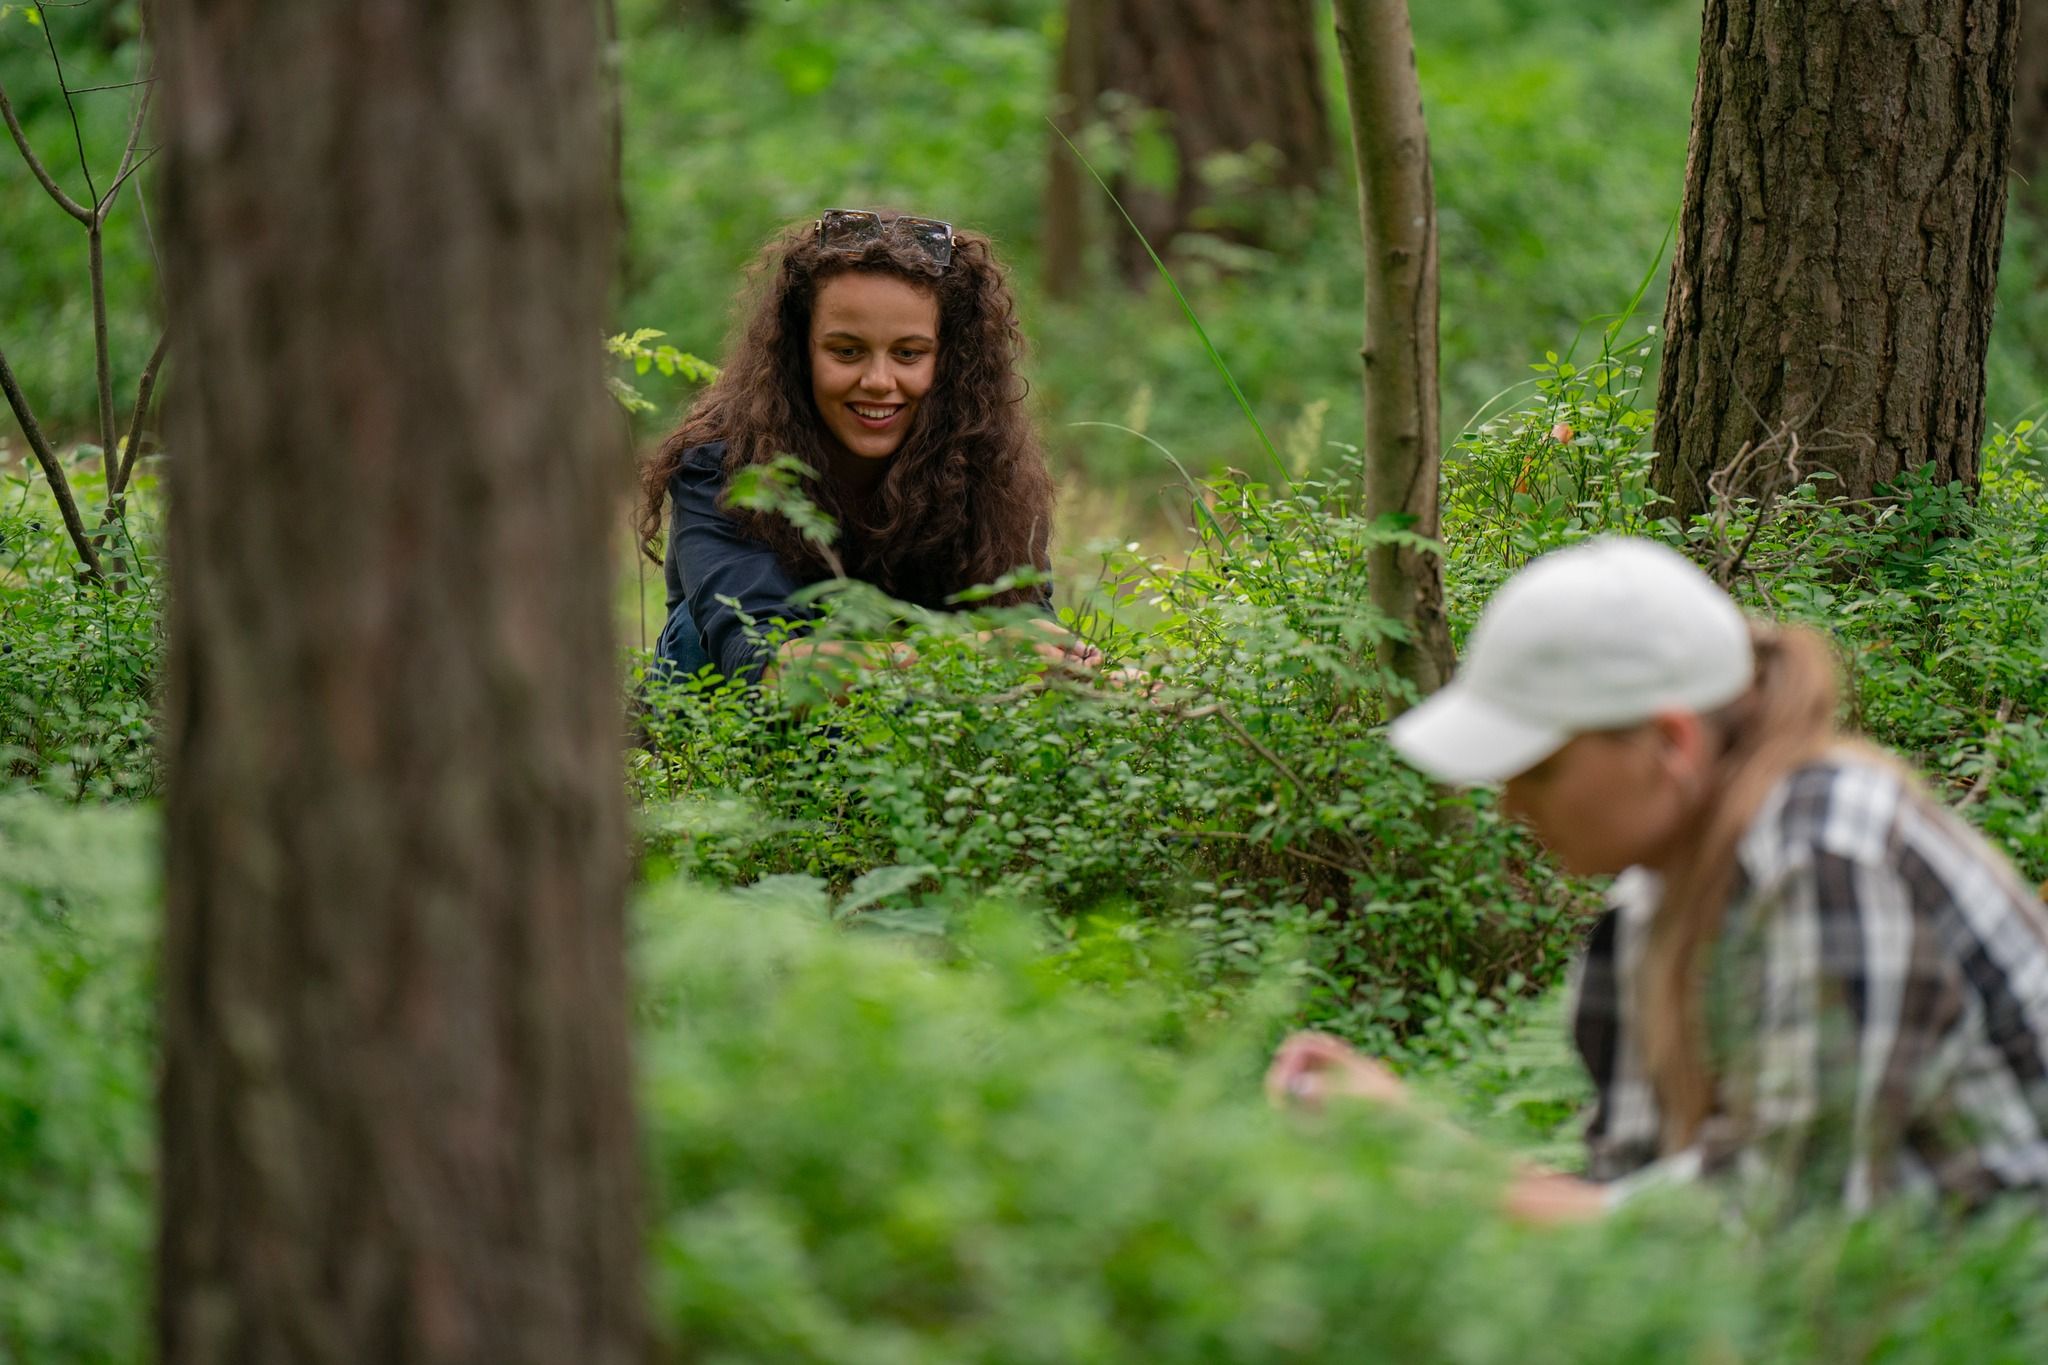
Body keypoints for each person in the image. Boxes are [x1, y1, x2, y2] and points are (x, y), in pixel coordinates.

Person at [1267, 537, 2048, 1222]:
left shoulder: (1827, 859)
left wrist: (1440, 1186)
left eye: (1539, 768)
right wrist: (1406, 1133)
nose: (1507, 802)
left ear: (1670, 742)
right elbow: (1631, 1206)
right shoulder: (1654, 899)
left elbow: (1774, 1238)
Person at [638, 208, 1094, 685]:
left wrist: (1102, 684)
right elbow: (766, 668)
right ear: (800, 352)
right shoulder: (722, 461)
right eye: (847, 351)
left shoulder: (982, 460)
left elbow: (1027, 637)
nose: (878, 381)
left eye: (908, 354)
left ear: (951, 362)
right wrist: (977, 654)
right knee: (697, 629)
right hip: (728, 730)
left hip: (915, 738)